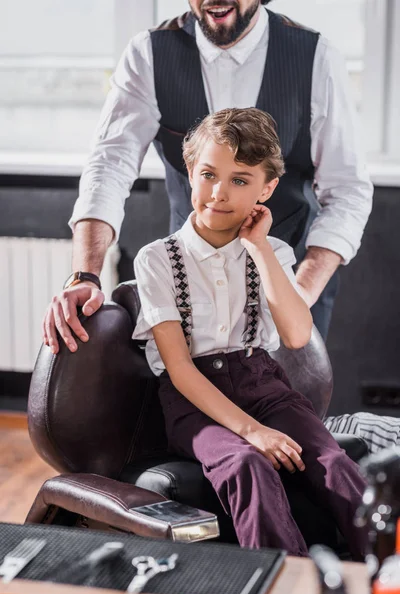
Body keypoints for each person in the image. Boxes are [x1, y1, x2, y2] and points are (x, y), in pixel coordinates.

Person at [42, 0, 373, 353]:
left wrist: (299, 292)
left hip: (292, 269)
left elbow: (347, 190)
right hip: (189, 282)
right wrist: (86, 275)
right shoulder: (148, 54)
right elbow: (108, 167)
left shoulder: (316, 56)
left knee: (293, 401)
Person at [131, 106, 367, 558]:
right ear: (190, 171)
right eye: (208, 174)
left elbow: (298, 336)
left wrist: (258, 247)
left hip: (264, 385)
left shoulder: (272, 250)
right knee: (247, 464)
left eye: (240, 180)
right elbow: (179, 371)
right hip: (194, 400)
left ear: (268, 188)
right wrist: (253, 432)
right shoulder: (157, 259)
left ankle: (381, 571)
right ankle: (283, 583)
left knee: (334, 463)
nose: (219, 193)